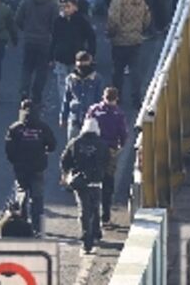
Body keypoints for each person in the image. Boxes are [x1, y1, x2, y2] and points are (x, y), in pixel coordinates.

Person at [4, 99, 57, 235]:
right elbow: (52, 145)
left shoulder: (15, 128)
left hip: (21, 167)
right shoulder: (42, 127)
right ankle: (37, 227)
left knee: (22, 194)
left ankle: (22, 223)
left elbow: (9, 148)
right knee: (37, 198)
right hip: (38, 167)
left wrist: (15, 161)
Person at [61, 119, 112, 254]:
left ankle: (86, 240)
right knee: (95, 207)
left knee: (84, 209)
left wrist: (67, 173)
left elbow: (65, 160)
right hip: (96, 181)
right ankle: (96, 231)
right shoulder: (102, 145)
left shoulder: (75, 143)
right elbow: (108, 162)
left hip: (80, 182)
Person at [105, 0, 151, 105]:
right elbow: (147, 17)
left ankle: (116, 97)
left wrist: (110, 33)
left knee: (117, 71)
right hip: (135, 39)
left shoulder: (118, 0)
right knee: (135, 70)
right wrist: (140, 29)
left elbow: (113, 20)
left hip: (120, 40)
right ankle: (136, 98)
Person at [86, 86, 129, 224]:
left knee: (92, 181)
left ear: (103, 97)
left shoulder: (93, 110)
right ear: (116, 98)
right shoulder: (118, 114)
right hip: (110, 150)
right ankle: (106, 215)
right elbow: (123, 134)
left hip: (93, 149)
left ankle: (91, 214)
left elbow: (86, 128)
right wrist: (120, 146)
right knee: (108, 182)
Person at [58, 51, 101, 144]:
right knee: (72, 145)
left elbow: (99, 100)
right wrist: (63, 117)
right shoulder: (70, 79)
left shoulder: (96, 79)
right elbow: (66, 99)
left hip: (90, 119)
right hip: (74, 118)